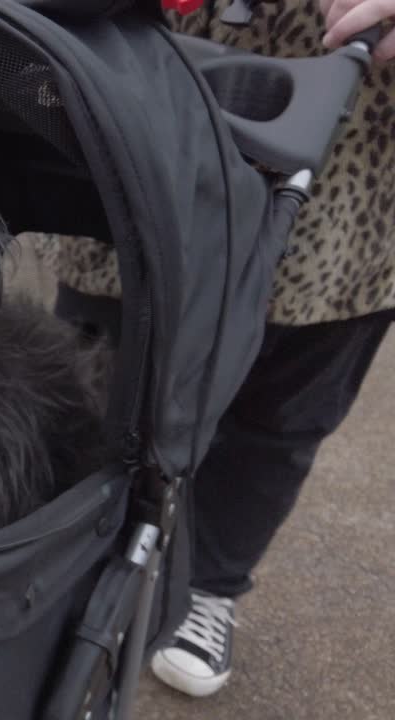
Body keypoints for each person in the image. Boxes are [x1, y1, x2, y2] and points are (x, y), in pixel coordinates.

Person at [35, 0, 395, 699]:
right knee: (82, 378)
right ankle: (63, 561)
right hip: (145, 79)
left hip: (354, 151)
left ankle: (210, 584)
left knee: (284, 411)